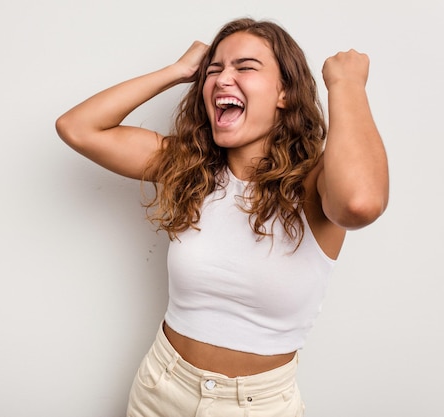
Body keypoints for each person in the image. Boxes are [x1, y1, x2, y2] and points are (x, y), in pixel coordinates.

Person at [56, 17, 388, 417]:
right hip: (160, 389)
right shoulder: (188, 166)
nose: (223, 78)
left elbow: (360, 203)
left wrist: (346, 85)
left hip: (259, 406)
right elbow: (77, 128)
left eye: (245, 67)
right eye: (214, 70)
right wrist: (177, 71)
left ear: (285, 91)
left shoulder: (314, 184)